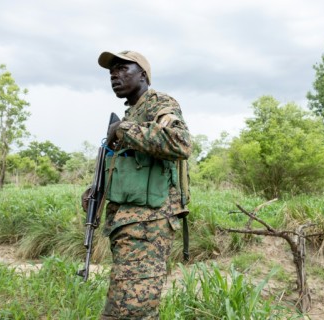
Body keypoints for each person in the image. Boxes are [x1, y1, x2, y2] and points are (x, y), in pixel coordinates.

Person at [95, 50, 191, 319]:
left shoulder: (159, 103)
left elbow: (180, 143)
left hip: (149, 225)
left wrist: (123, 130)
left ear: (143, 75)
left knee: (129, 311)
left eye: (123, 68)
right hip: (128, 226)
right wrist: (97, 190)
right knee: (132, 307)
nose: (115, 74)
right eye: (112, 70)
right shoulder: (133, 112)